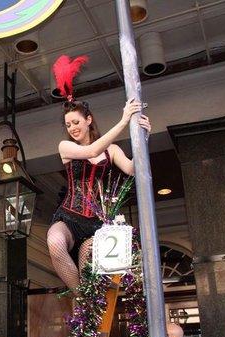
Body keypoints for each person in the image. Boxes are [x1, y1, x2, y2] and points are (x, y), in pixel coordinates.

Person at [46, 55, 151, 291]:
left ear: (88, 120)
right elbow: (93, 149)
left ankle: (89, 306)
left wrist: (144, 138)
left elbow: (134, 169)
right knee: (54, 241)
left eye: (75, 122)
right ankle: (81, 299)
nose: (72, 128)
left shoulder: (112, 150)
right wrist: (124, 121)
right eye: (68, 125)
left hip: (97, 222)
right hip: (69, 216)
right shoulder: (66, 148)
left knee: (87, 264)